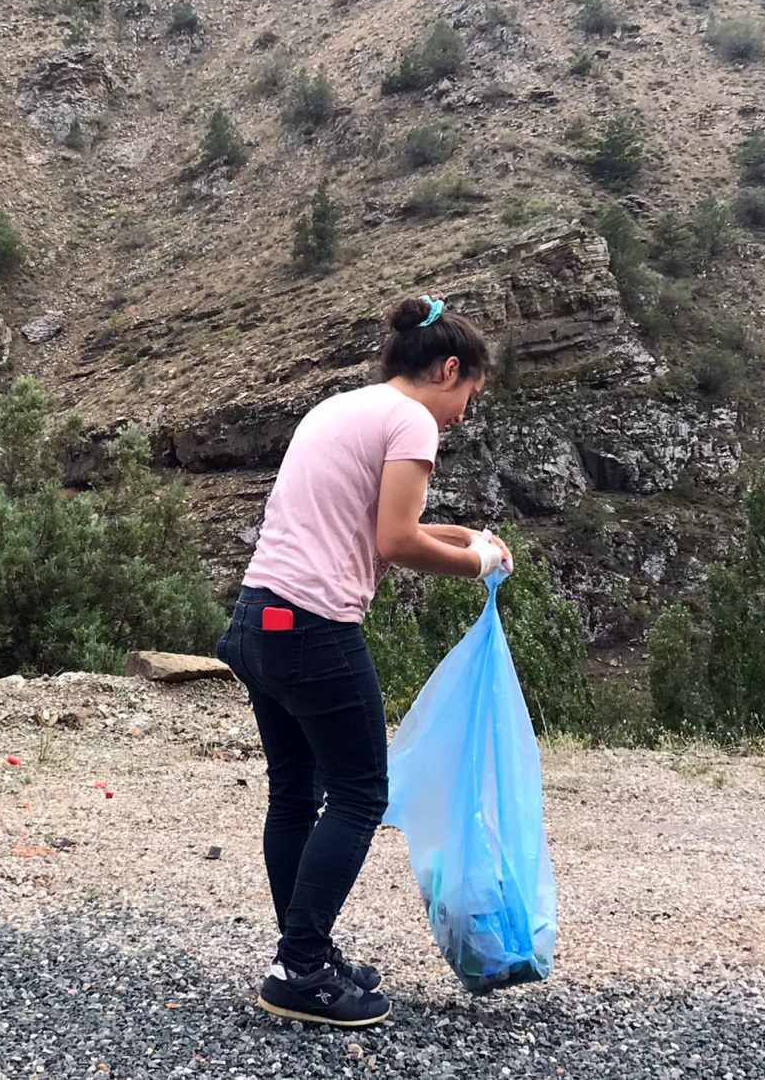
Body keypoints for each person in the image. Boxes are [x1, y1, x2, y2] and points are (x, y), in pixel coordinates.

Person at [214, 295, 509, 1028]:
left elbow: (376, 518)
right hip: (314, 626)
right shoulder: (411, 420)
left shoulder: (342, 407)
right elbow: (395, 541)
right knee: (359, 794)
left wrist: (464, 534)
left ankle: (303, 954)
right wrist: (478, 563)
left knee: (294, 795)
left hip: (258, 618)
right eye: (470, 396)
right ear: (448, 369)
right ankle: (302, 969)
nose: (463, 416)